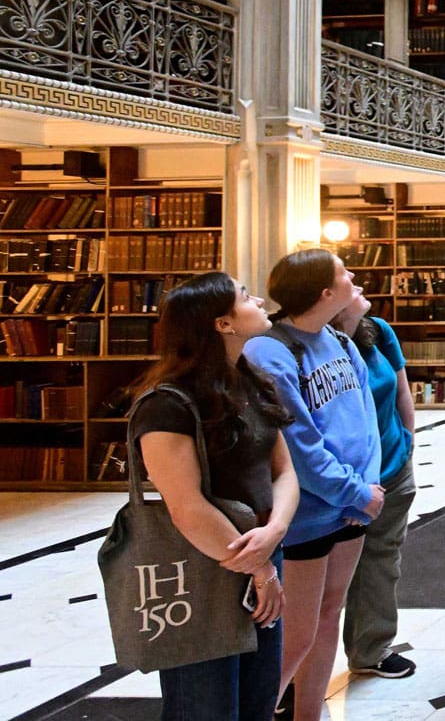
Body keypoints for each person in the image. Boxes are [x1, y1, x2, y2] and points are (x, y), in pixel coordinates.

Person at [130, 273, 298, 721]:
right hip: (198, 570)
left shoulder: (253, 382)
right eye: (245, 296)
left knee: (258, 697)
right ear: (223, 323)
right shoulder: (166, 405)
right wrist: (260, 566)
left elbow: (282, 471)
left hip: (261, 552)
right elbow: (187, 508)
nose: (259, 299)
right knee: (205, 705)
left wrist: (276, 530)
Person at [244, 249, 383, 721]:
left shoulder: (339, 342)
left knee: (329, 618)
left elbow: (365, 421)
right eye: (344, 273)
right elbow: (298, 444)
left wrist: (368, 488)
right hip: (308, 515)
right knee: (296, 634)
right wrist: (353, 491)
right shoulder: (269, 351)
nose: (353, 277)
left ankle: (310, 713)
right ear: (326, 292)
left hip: (353, 506)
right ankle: (263, 712)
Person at [339, 296, 418, 680]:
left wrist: (408, 442)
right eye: (347, 280)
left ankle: (370, 648)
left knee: (382, 560)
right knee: (325, 573)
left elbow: (401, 389)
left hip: (392, 467)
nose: (357, 284)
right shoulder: (299, 345)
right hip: (341, 481)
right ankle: (295, 671)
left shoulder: (378, 331)